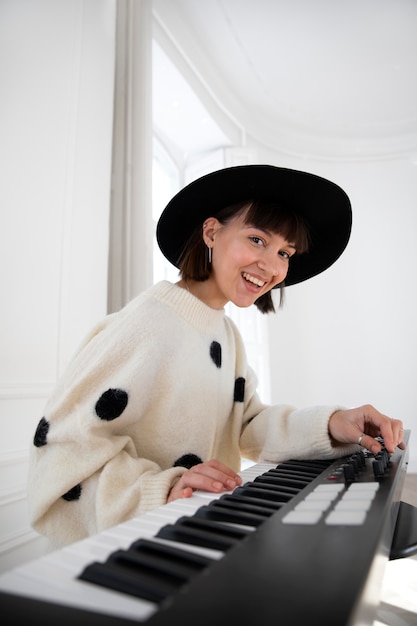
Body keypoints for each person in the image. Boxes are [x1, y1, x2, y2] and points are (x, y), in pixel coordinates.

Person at [27, 164, 406, 546]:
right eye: (258, 239)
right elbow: (63, 442)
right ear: (211, 232)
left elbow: (246, 424)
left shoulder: (225, 332)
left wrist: (333, 423)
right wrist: (160, 488)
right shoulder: (150, 320)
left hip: (175, 536)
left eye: (285, 253)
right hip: (112, 552)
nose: (273, 267)